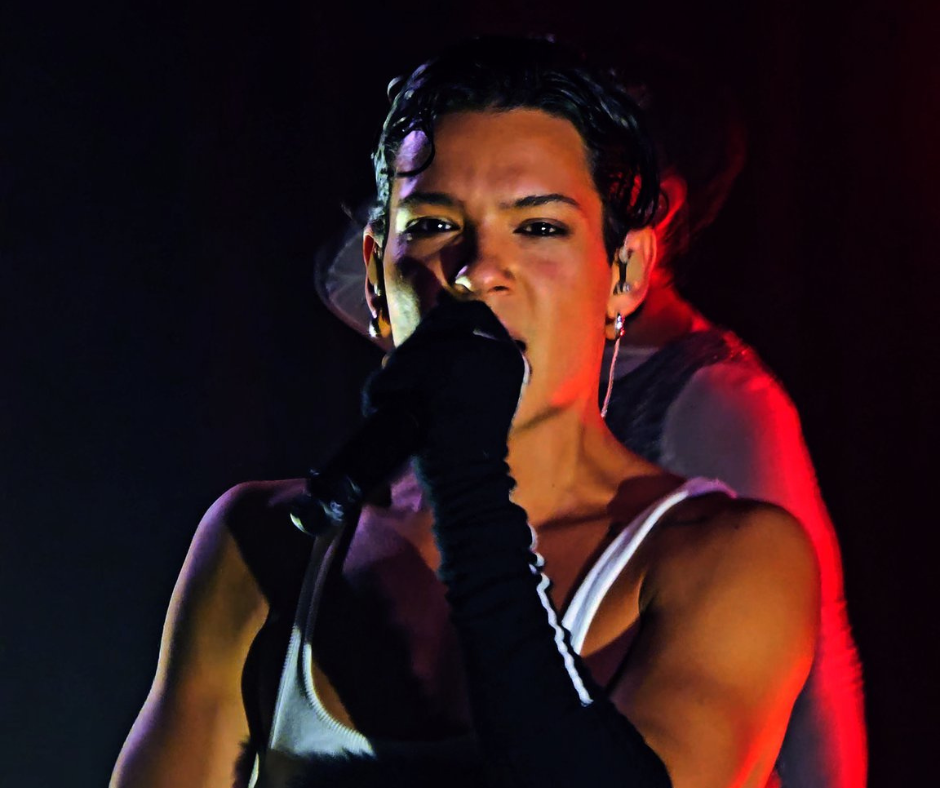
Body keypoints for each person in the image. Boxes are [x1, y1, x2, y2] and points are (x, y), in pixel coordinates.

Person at [111, 38, 856, 788]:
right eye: (433, 225)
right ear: (374, 276)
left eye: (538, 228)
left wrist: (468, 478)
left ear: (625, 272)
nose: (476, 272)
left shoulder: (723, 558)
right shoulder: (264, 543)